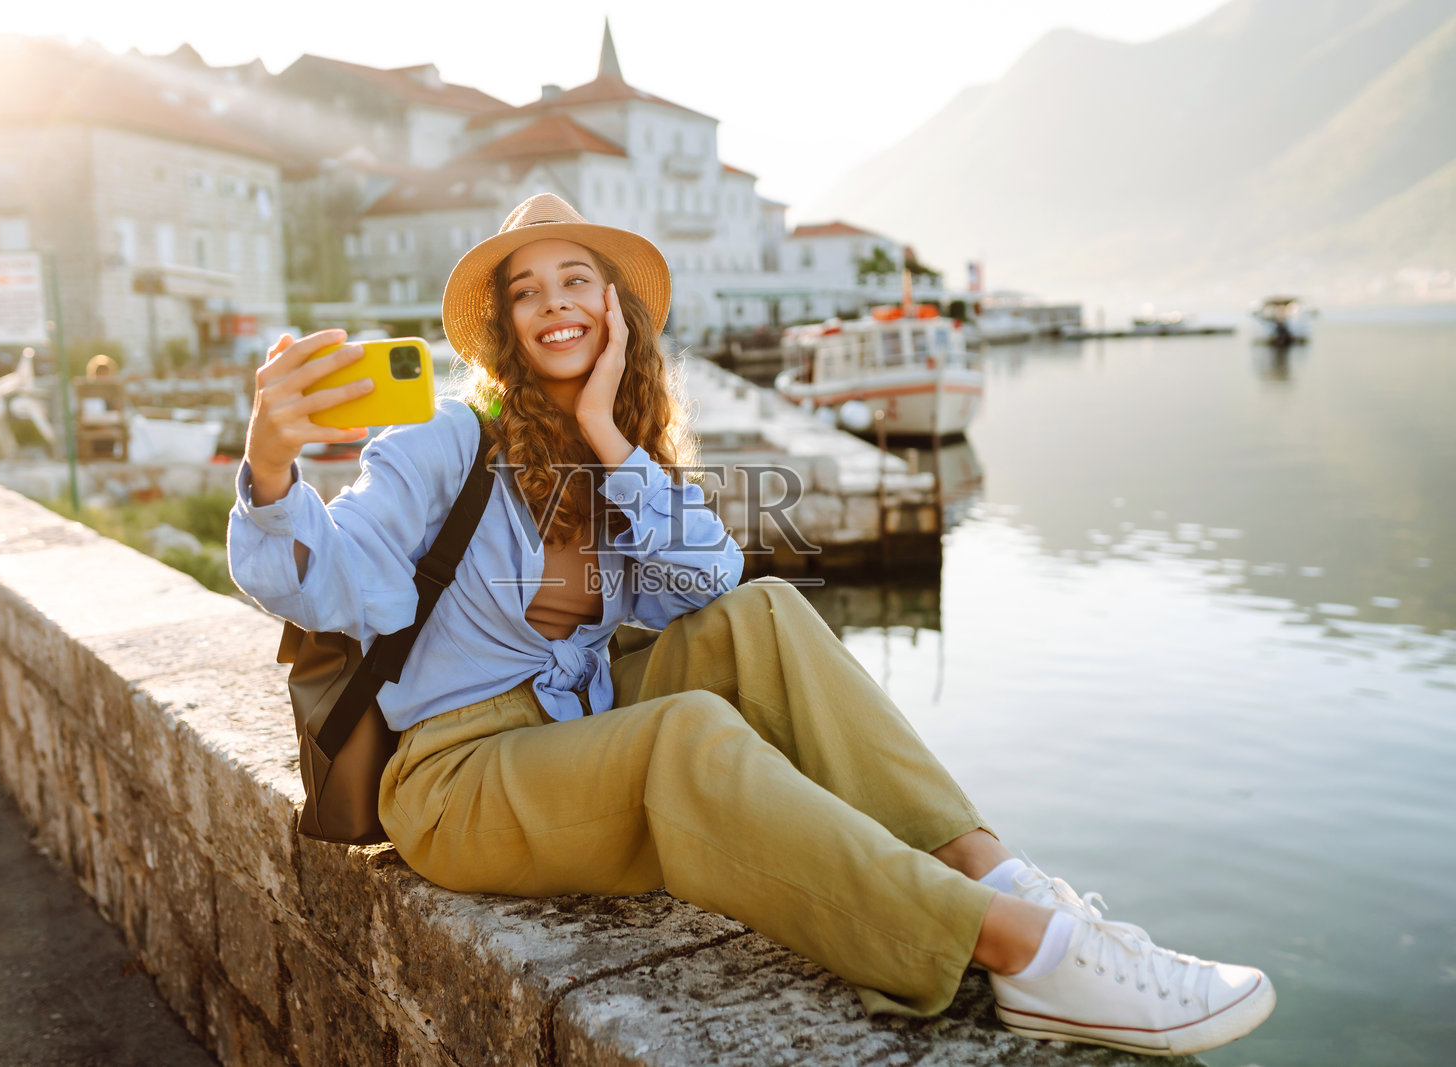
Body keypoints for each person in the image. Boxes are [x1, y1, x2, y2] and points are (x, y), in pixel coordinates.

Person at [228, 194, 1274, 1057]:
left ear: (614, 309)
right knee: (685, 736)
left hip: (570, 728)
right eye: (526, 290)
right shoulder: (444, 441)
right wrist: (271, 468)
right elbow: (331, 578)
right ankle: (1023, 948)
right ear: (505, 325)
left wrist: (607, 437)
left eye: (575, 280)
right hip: (458, 775)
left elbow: (712, 580)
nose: (553, 304)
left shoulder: (614, 453)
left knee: (764, 609)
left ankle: (997, 870)